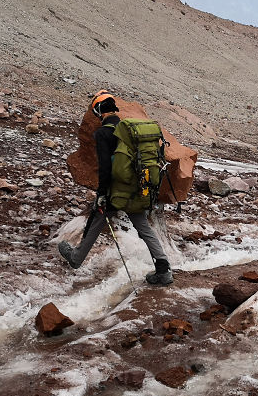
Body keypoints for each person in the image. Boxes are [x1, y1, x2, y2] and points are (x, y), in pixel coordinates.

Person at [58, 91, 173, 285]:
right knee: (143, 227)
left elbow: (105, 167)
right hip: (137, 189)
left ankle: (76, 258)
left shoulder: (103, 133)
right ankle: (163, 268)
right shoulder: (128, 130)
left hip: (116, 191)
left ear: (98, 111)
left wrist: (102, 193)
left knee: (96, 219)